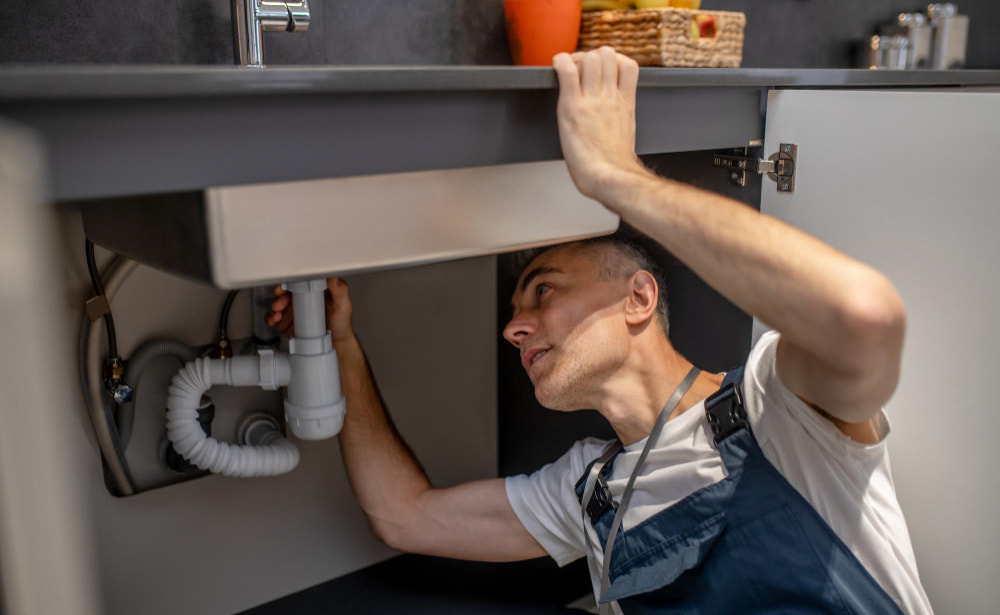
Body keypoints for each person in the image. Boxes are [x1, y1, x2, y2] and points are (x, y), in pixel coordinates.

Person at [267, 48, 931, 614]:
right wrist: (341, 345)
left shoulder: (779, 411)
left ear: (638, 298)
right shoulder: (589, 490)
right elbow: (403, 514)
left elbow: (863, 315)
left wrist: (614, 176)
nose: (513, 327)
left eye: (544, 290)